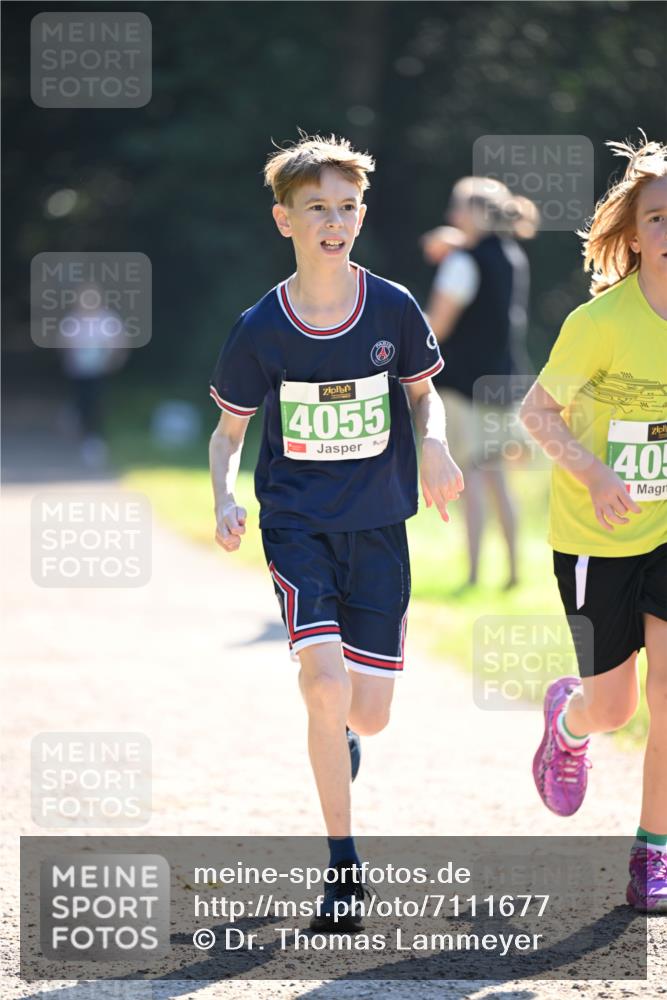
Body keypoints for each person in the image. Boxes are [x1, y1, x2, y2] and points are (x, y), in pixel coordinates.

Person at [208, 134, 463, 928]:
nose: (334, 221)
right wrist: (222, 496)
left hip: (379, 524)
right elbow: (227, 433)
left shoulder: (391, 306)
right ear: (283, 219)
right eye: (316, 207)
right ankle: (344, 869)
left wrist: (434, 443)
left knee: (367, 713)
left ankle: (343, 738)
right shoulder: (261, 327)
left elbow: (424, 395)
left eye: (347, 206)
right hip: (297, 524)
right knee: (322, 685)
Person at [521, 135, 667, 912]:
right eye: (658, 218)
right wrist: (596, 473)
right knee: (614, 707)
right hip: (595, 536)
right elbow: (534, 412)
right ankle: (570, 723)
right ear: (635, 232)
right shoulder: (598, 323)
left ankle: (653, 854)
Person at [422, 178, 539, 589]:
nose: (452, 216)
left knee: (469, 477)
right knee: (499, 479)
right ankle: (512, 573)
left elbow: (436, 325)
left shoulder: (462, 263)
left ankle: (472, 575)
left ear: (474, 214)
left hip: (465, 387)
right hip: (504, 383)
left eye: (458, 208)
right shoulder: (511, 256)